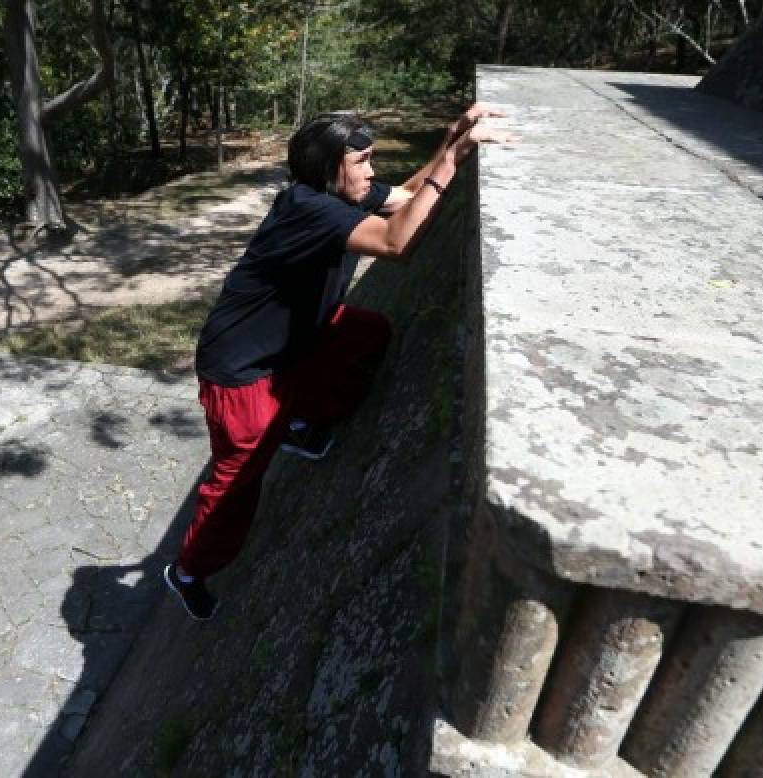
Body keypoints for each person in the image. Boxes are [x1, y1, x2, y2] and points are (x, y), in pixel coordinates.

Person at [163, 103, 516, 620]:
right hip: (243, 370)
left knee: (367, 334)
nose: (373, 172)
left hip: (298, 336)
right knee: (236, 484)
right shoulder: (309, 209)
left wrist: (450, 138)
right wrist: (455, 160)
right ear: (330, 167)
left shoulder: (340, 192)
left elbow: (405, 201)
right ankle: (188, 570)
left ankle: (300, 422)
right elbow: (398, 242)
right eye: (364, 161)